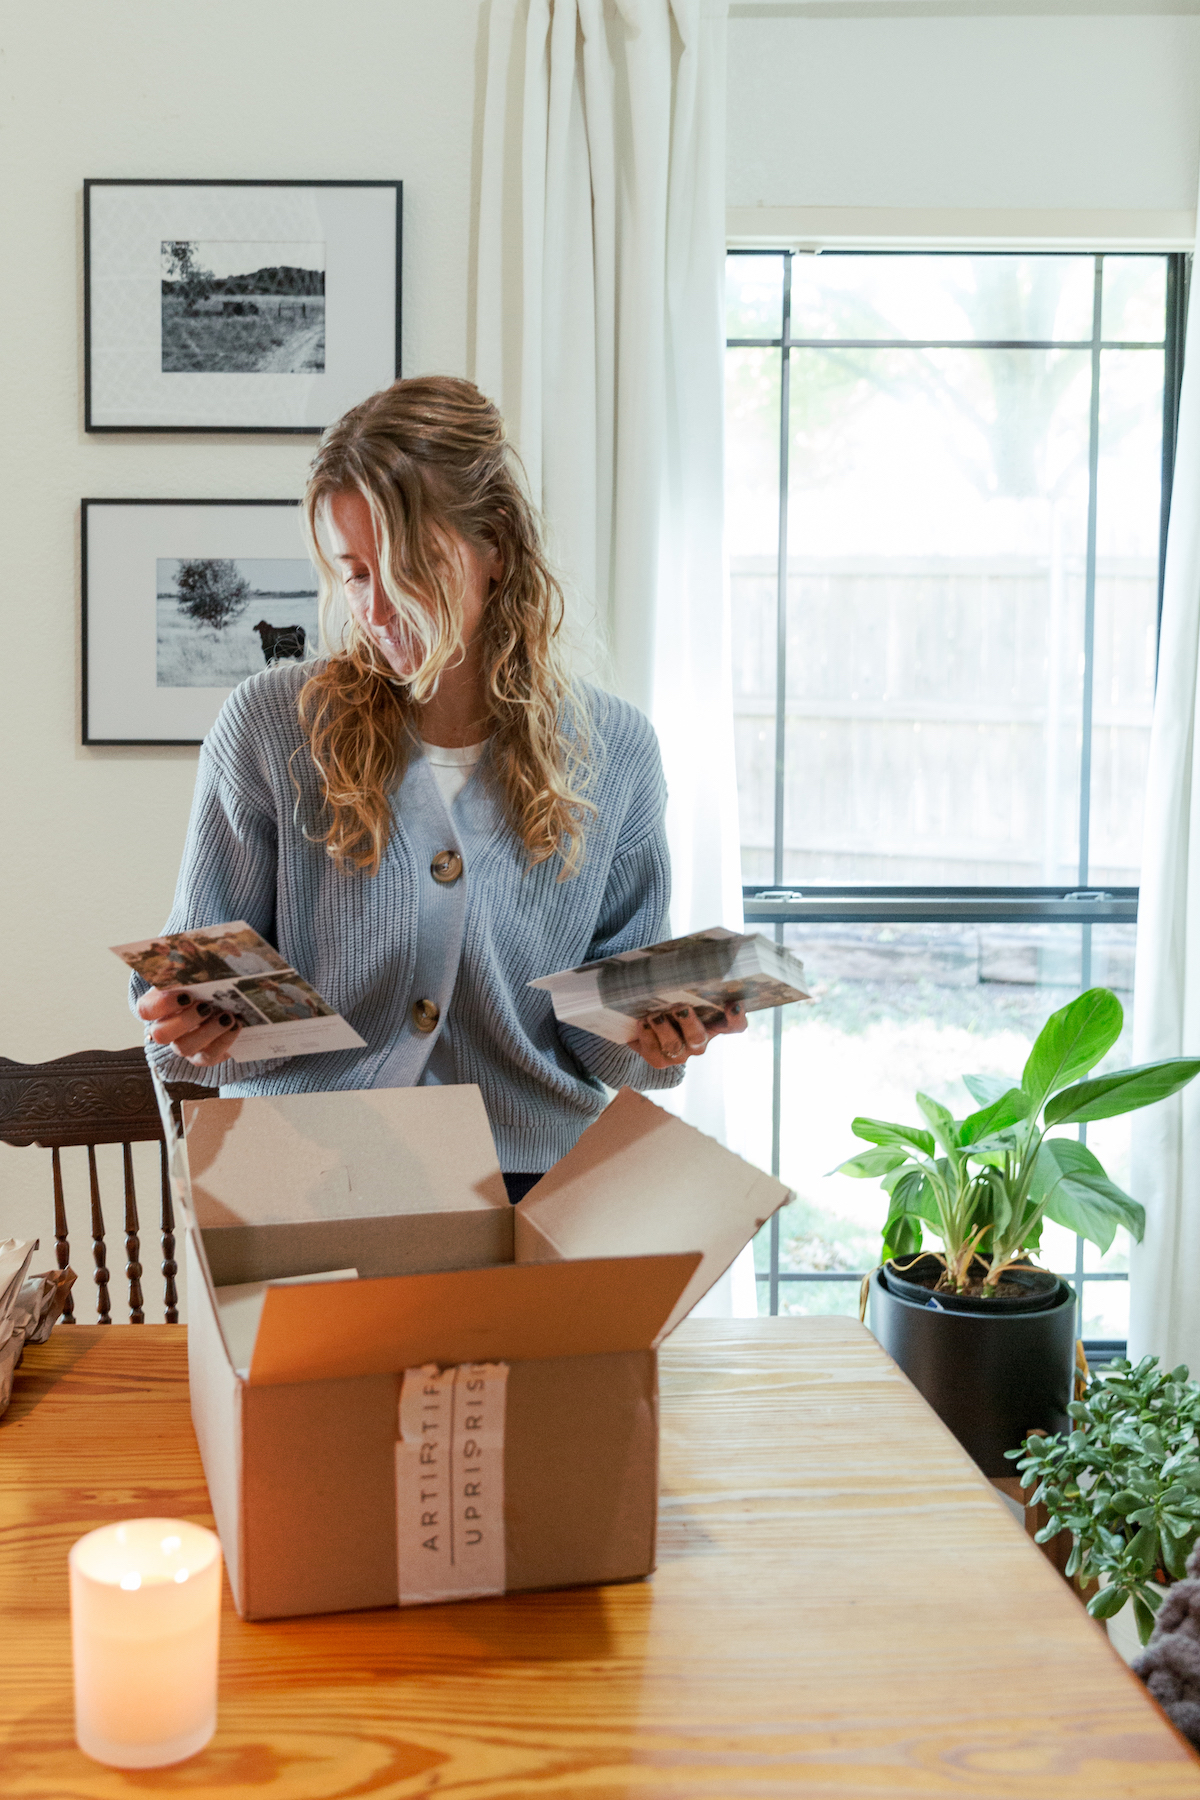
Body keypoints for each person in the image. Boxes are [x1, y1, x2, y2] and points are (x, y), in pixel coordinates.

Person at [136, 376, 745, 1196]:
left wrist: (659, 1037)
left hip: (532, 1181)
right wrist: (186, 1024)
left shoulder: (616, 750)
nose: (376, 608)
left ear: (494, 546)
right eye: (353, 574)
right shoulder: (273, 725)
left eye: (406, 566)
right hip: (302, 1170)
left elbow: (602, 1037)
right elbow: (192, 982)